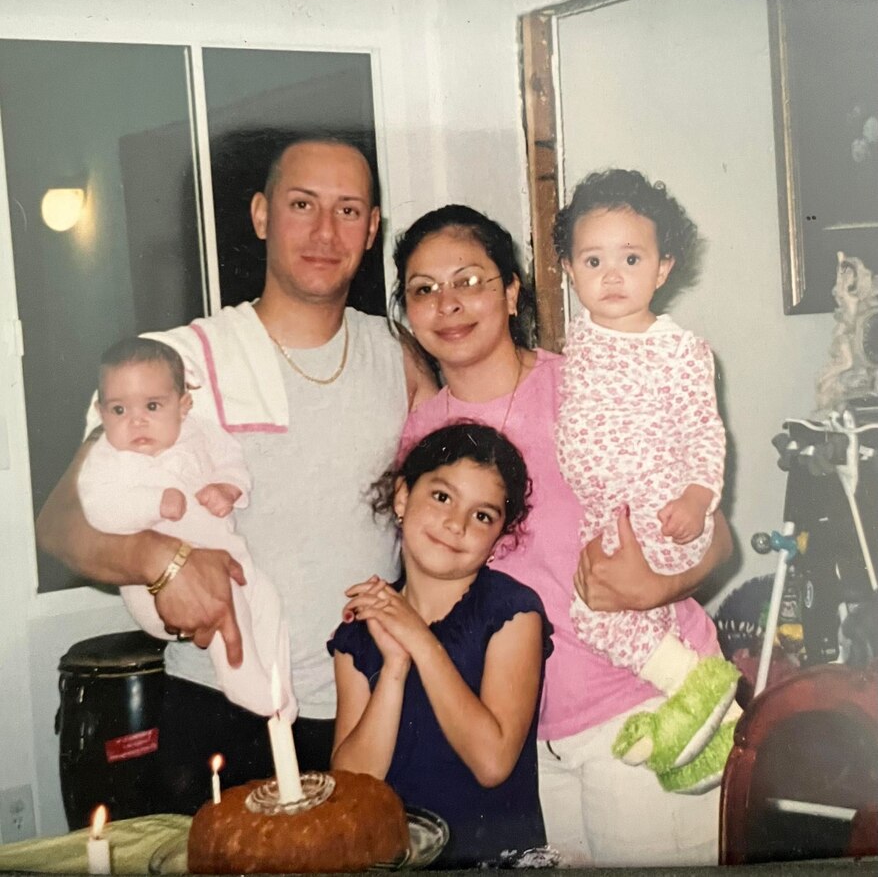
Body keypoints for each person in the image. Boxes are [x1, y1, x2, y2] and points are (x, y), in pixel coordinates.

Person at [36, 134, 436, 813]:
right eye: (301, 204)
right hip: (224, 705)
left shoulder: (395, 354)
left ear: (371, 230)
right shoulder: (180, 360)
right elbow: (60, 523)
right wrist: (155, 558)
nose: (323, 231)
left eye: (348, 210)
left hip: (364, 704)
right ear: (260, 215)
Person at [391, 204, 733, 867]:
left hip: (644, 706)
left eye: (470, 281)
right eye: (423, 290)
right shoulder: (422, 432)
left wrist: (658, 584)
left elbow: (716, 534)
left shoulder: (587, 384)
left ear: (513, 289)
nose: (448, 304)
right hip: (527, 735)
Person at [553, 169, 741, 790]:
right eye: (594, 259)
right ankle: (706, 736)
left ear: (662, 269)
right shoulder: (578, 340)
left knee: (599, 617)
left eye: (631, 258)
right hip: (605, 515)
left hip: (660, 511)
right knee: (615, 622)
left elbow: (705, 432)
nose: (612, 275)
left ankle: (697, 690)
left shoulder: (678, 349)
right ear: (569, 270)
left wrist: (697, 497)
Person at [328, 423, 553, 868]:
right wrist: (393, 666)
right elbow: (353, 785)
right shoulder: (360, 632)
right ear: (402, 497)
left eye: (483, 515)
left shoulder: (513, 612)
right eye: (442, 497)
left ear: (497, 538)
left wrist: (419, 639)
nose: (457, 524)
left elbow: (492, 763)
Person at [78, 337, 295, 720]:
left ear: (183, 405)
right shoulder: (109, 458)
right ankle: (246, 686)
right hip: (157, 589)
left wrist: (229, 487)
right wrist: (151, 503)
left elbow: (232, 460)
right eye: (118, 409)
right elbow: (97, 508)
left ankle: (278, 684)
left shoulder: (200, 433)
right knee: (230, 606)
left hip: (230, 558)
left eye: (152, 406)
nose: (136, 420)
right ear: (100, 412)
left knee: (268, 600)